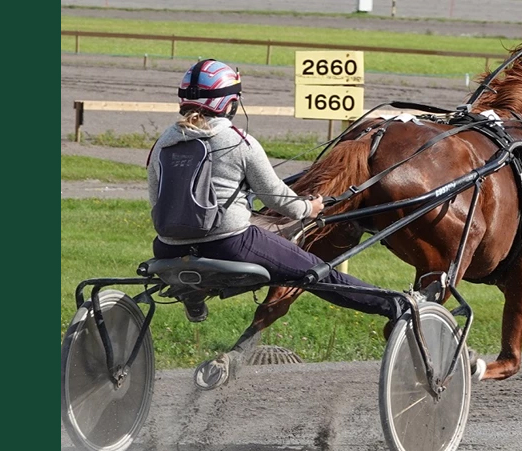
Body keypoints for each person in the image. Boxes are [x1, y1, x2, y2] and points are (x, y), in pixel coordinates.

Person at [147, 59, 406, 324]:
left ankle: (193, 293)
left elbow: (156, 199)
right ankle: (395, 305)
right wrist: (309, 209)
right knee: (317, 271)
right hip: (230, 245)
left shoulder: (162, 143)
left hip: (166, 248)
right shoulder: (237, 141)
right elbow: (275, 197)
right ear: (230, 104)